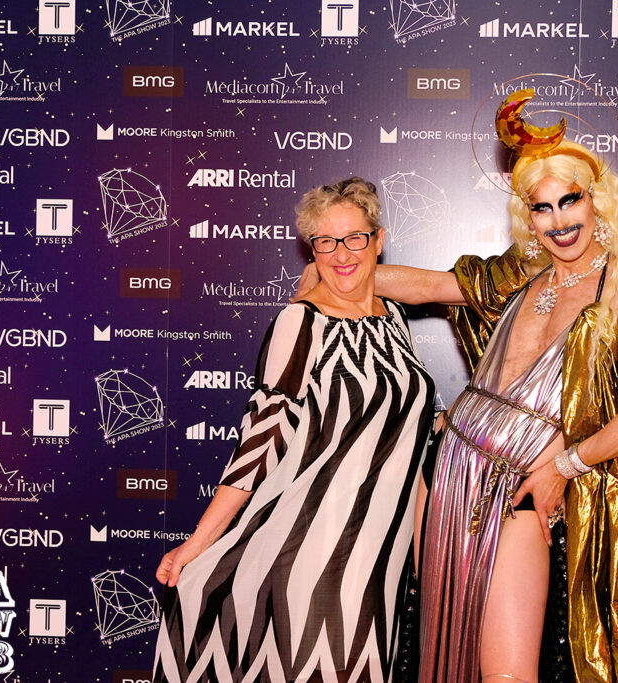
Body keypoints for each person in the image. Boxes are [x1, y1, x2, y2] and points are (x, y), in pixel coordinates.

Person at [365, 132, 618, 681]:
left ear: (597, 201)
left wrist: (566, 464)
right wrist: (337, 272)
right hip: (446, 473)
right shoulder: (517, 280)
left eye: (570, 200)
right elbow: (423, 287)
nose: (559, 221)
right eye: (542, 207)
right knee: (441, 653)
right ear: (528, 218)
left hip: (522, 489)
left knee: (507, 674)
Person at [153, 177, 436, 682]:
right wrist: (198, 541)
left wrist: (422, 551)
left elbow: (406, 442)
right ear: (312, 250)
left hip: (380, 555)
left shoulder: (393, 318)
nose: (341, 253)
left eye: (354, 237)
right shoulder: (300, 322)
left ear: (378, 240)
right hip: (312, 545)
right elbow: (260, 440)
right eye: (325, 241)